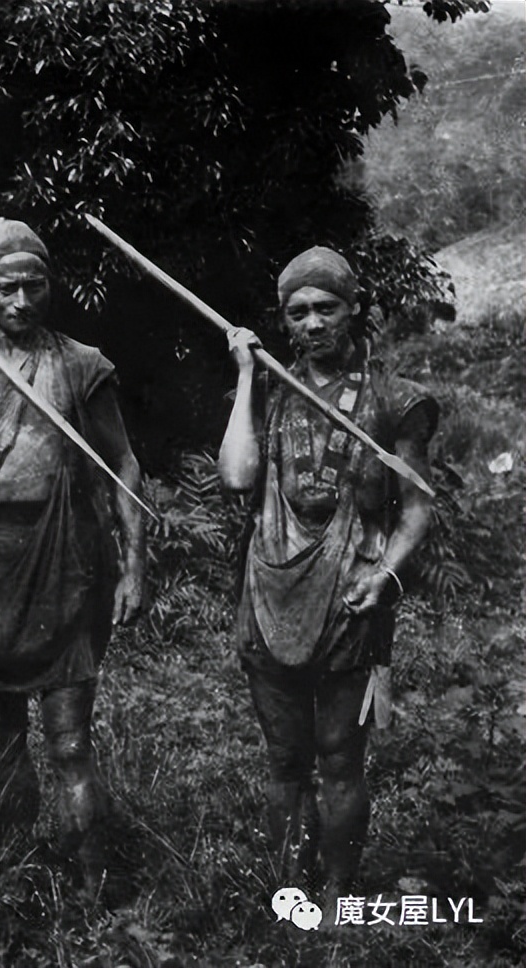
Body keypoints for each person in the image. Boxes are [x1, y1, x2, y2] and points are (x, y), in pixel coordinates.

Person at [0, 220, 147, 885]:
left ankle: (89, 888)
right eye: (5, 289)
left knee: (71, 743)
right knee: (0, 744)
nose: (21, 302)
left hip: (66, 564)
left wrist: (135, 563)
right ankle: (12, 884)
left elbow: (124, 464)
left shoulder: (81, 364)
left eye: (34, 286)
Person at [217, 246, 437, 899]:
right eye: (299, 312)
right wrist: (249, 377)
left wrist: (385, 576)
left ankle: (339, 893)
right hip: (270, 591)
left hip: (353, 597)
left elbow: (418, 510)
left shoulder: (397, 400)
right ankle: (290, 889)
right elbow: (236, 477)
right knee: (285, 758)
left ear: (355, 308)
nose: (313, 324)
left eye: (327, 308)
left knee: (340, 756)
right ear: (284, 321)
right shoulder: (270, 388)